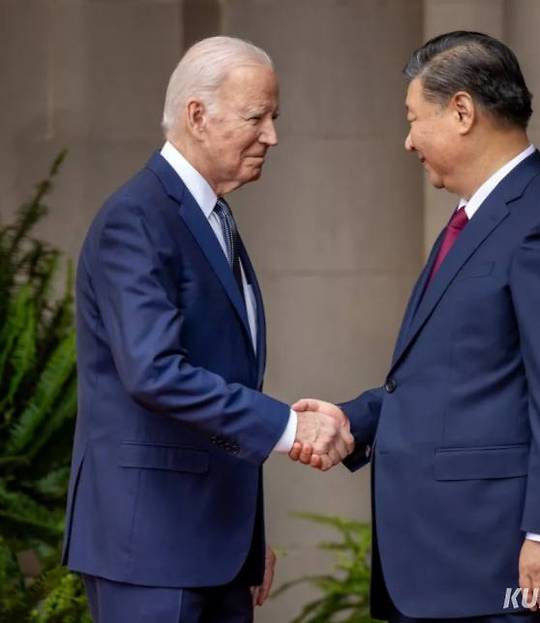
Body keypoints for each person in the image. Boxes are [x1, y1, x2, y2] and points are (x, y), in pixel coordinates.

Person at [291, 31, 540, 623]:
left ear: (463, 111)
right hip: (441, 565)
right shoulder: (472, 220)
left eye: (415, 119)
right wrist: (353, 419)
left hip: (499, 567)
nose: (408, 140)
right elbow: (451, 375)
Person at [62, 36, 353, 623]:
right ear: (197, 115)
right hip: (150, 551)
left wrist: (244, 540)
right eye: (256, 117)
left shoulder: (208, 215)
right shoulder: (137, 218)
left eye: (274, 117)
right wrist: (289, 425)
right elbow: (154, 374)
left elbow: (223, 383)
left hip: (214, 548)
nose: (272, 135)